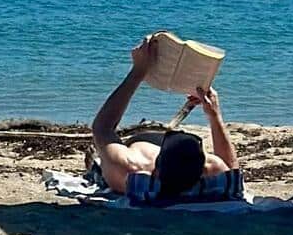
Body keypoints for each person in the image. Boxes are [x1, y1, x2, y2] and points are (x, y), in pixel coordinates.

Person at [90, 33, 238, 197]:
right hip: (177, 152)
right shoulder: (213, 175)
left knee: (102, 157)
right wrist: (214, 114)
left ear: (156, 171)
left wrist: (138, 72)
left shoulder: (131, 174)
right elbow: (232, 172)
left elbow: (101, 128)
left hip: (140, 148)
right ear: (203, 171)